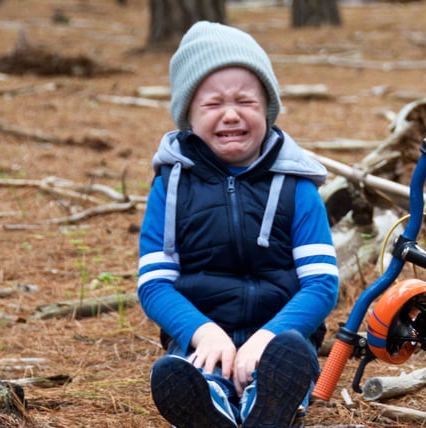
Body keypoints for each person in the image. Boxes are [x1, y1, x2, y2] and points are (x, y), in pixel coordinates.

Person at [136, 20, 340, 428]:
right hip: (201, 335)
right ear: (188, 115)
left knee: (285, 360)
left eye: (246, 101)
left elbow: (321, 283)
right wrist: (203, 332)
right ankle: (208, 402)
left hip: (281, 336)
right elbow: (154, 284)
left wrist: (268, 336)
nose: (231, 114)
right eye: (212, 104)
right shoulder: (170, 187)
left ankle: (268, 404)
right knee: (191, 371)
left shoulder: (296, 186)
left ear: (267, 109)